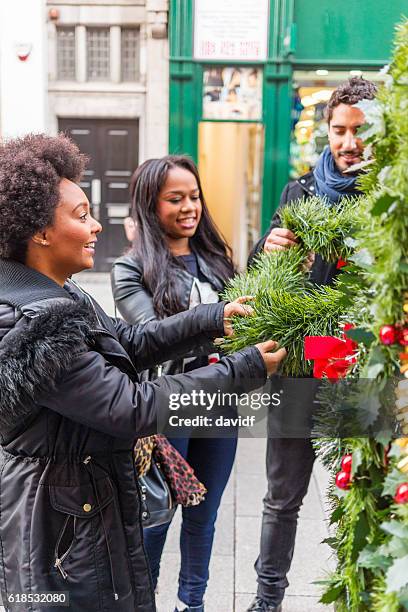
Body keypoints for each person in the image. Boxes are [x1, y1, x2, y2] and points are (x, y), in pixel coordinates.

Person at [0, 134, 287, 612]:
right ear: (40, 232)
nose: (96, 226)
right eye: (81, 215)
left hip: (81, 508)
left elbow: (129, 343)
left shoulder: (60, 295)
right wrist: (246, 367)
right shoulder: (35, 325)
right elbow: (133, 407)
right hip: (58, 530)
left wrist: (213, 318)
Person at [246, 77, 378, 612]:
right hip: (301, 365)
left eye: (360, 131)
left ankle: (360, 597)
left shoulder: (390, 199)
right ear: (326, 130)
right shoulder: (298, 192)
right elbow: (260, 277)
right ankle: (266, 599)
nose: (348, 142)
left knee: (361, 490)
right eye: (339, 130)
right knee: (283, 495)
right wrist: (270, 245)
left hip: (363, 368)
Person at [111, 155, 239, 612]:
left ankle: (193, 602)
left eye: (195, 196)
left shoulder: (216, 261)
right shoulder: (130, 270)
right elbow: (149, 336)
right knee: (156, 516)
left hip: (223, 401)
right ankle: (144, 602)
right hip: (167, 407)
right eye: (175, 199)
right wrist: (217, 321)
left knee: (204, 517)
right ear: (150, 204)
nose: (190, 207)